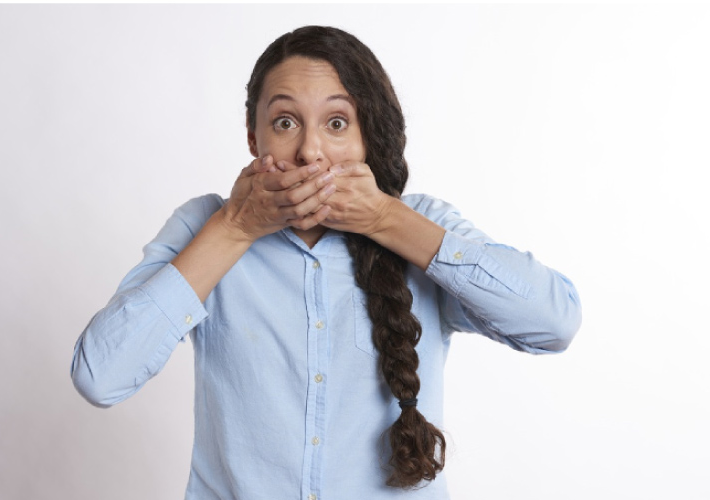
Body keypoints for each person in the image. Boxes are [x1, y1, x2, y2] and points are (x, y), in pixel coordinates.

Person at [71, 25, 581, 500]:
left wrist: (384, 220)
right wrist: (235, 229)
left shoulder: (419, 224)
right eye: (285, 122)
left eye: (337, 123)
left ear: (366, 136)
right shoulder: (208, 226)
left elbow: (553, 323)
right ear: (255, 139)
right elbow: (101, 376)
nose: (311, 151)